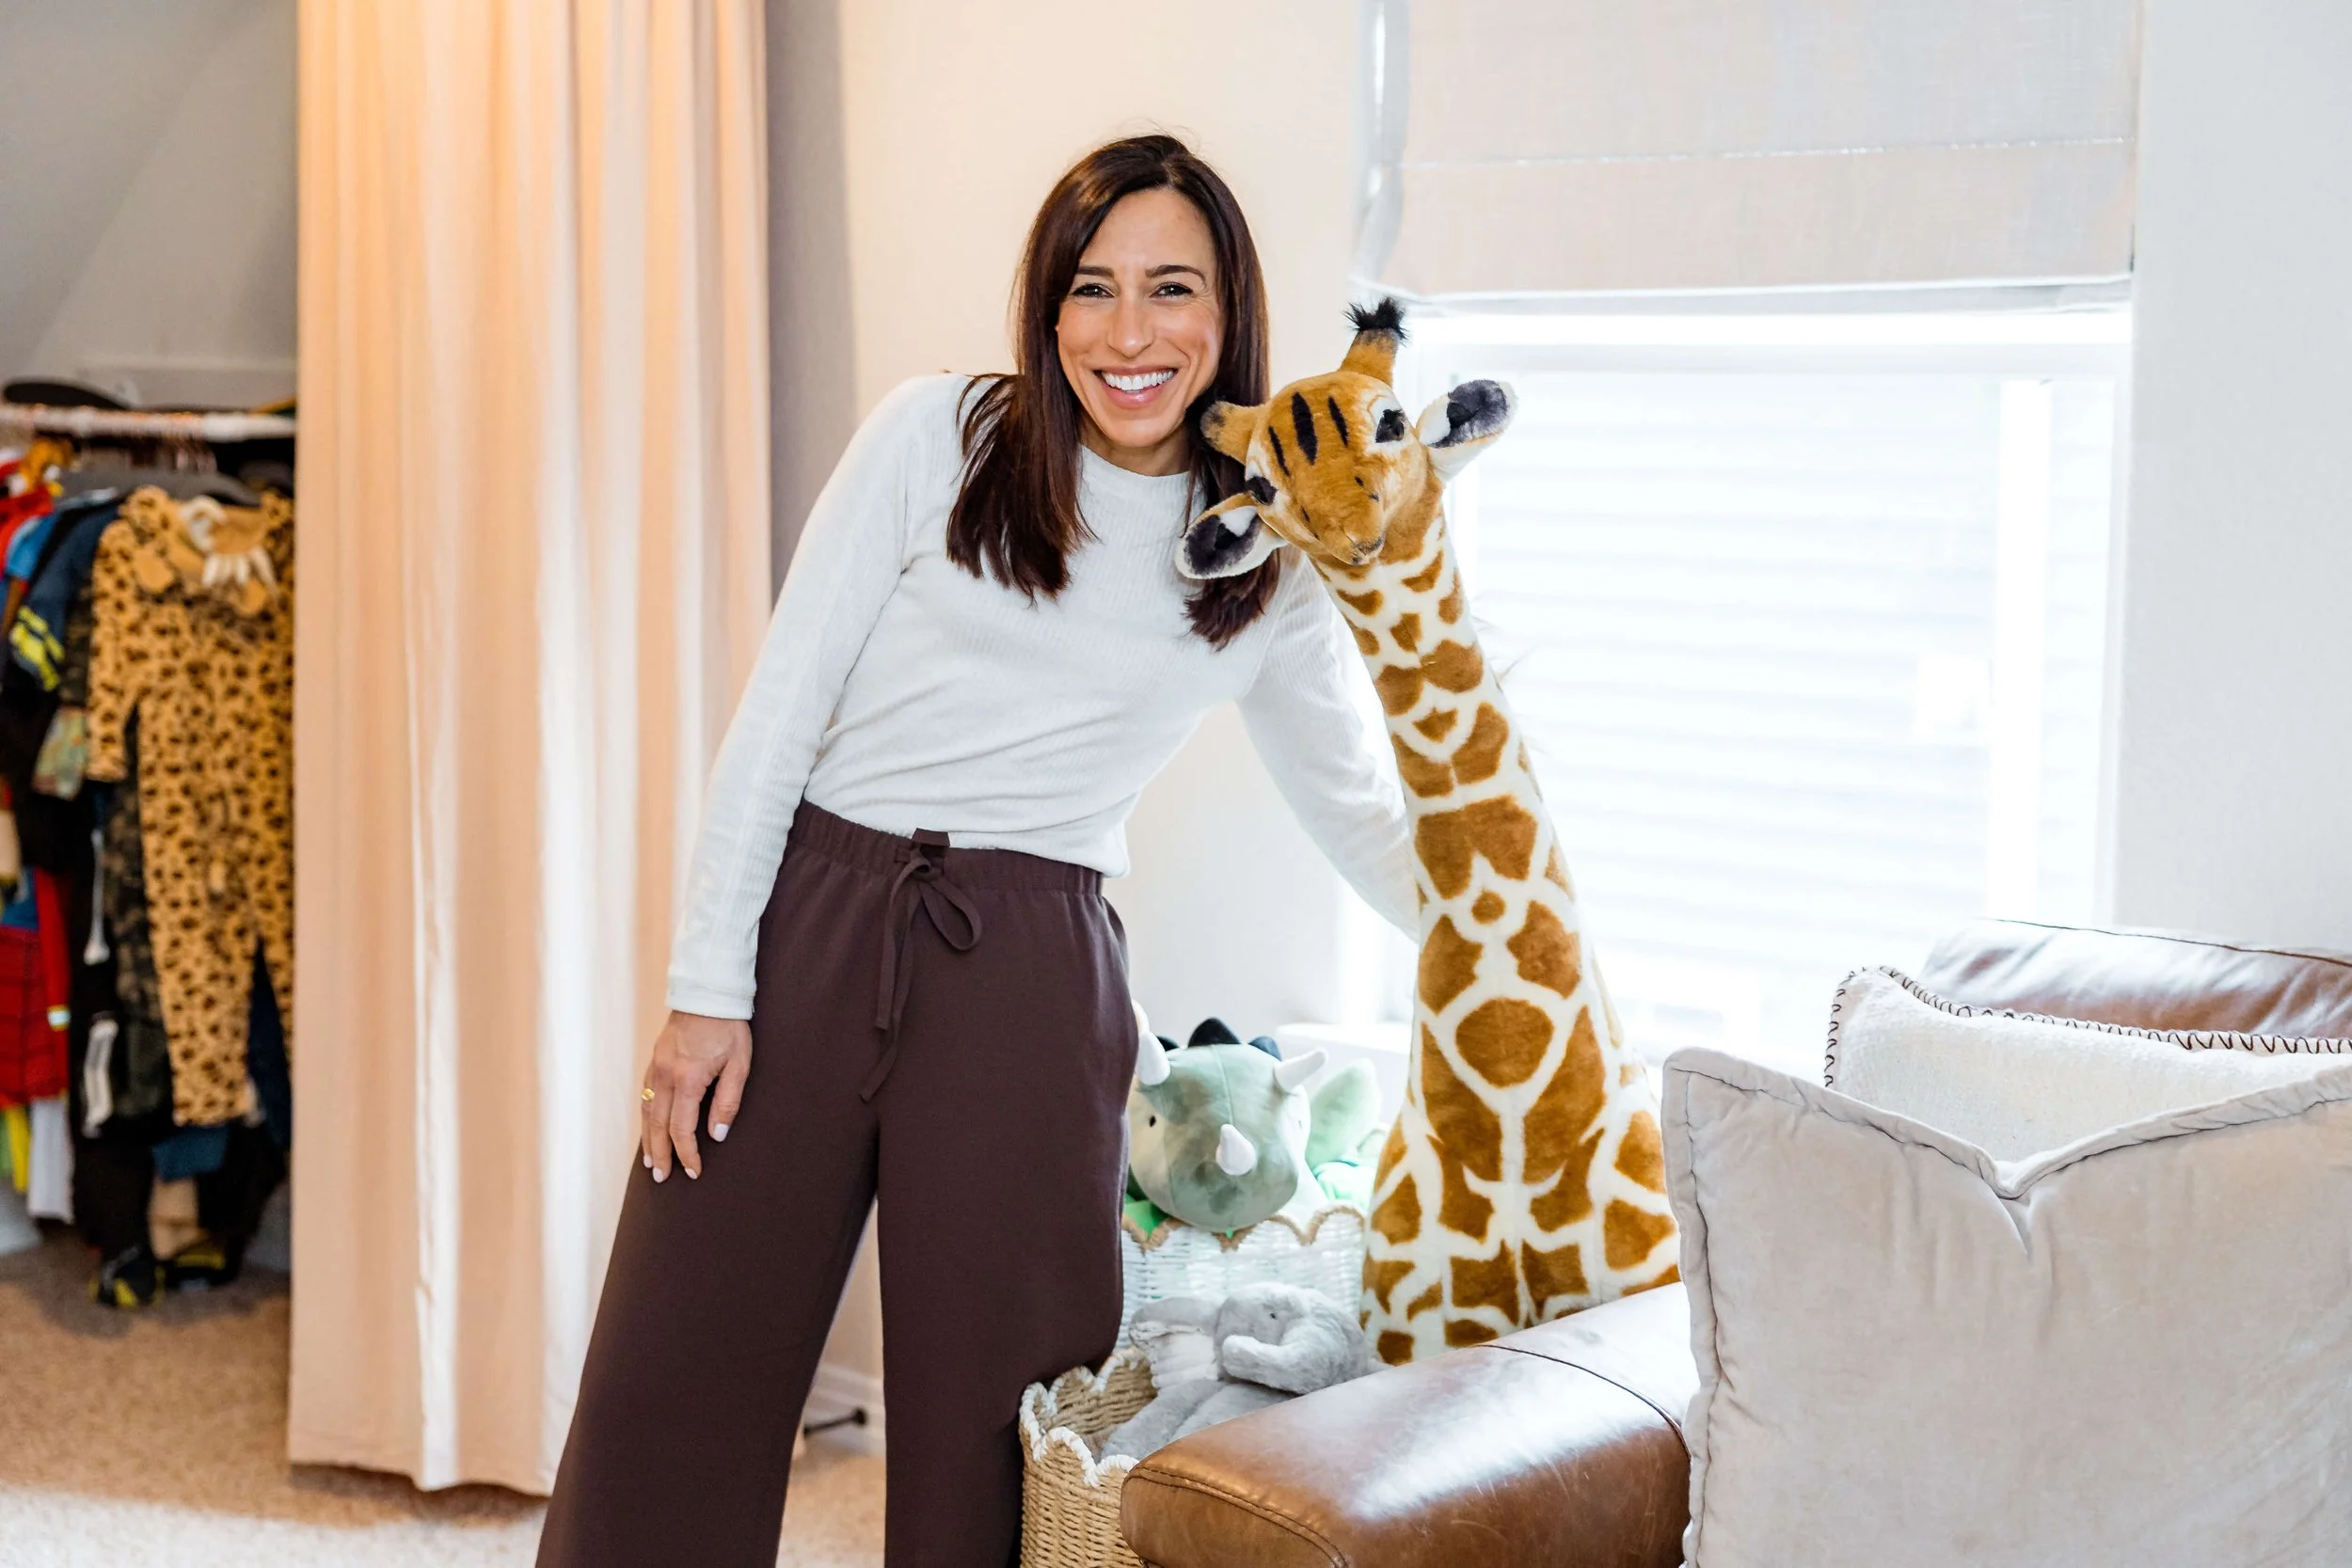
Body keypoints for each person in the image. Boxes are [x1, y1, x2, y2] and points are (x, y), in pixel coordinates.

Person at [536, 133, 1415, 1568]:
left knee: (994, 1441)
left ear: (1230, 313)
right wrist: (708, 986)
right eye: (1092, 290)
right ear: (1047, 307)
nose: (1129, 336)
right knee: (668, 1376)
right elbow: (777, 717)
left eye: (1172, 290)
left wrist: (1523, 934)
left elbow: (1363, 809)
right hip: (813, 916)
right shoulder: (934, 436)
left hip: (1031, 966)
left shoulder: (1267, 559)